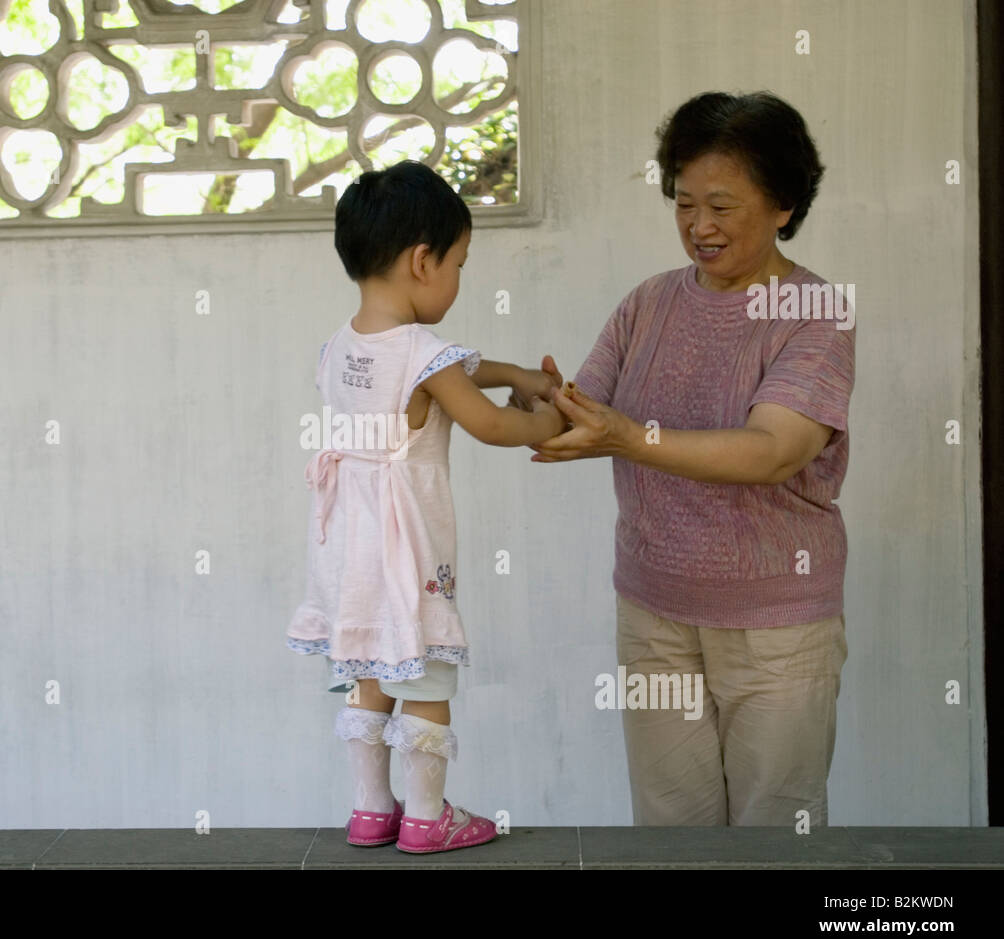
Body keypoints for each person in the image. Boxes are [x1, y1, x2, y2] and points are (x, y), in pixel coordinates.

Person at [512, 91, 854, 827]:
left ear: (784, 205)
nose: (700, 226)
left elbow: (773, 452)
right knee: (670, 831)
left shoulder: (815, 313)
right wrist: (473, 385)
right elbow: (573, 413)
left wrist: (630, 438)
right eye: (684, 203)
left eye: (723, 206)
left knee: (772, 830)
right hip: (654, 615)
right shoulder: (650, 303)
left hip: (775, 627)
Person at [286, 159, 565, 853]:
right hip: (408, 542)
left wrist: (517, 374)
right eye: (460, 263)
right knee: (427, 670)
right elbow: (489, 421)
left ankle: (371, 810)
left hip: (346, 548)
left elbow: (455, 370)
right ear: (422, 261)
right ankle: (427, 815)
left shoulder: (339, 347)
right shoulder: (425, 353)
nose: (459, 278)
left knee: (369, 668)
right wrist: (552, 423)